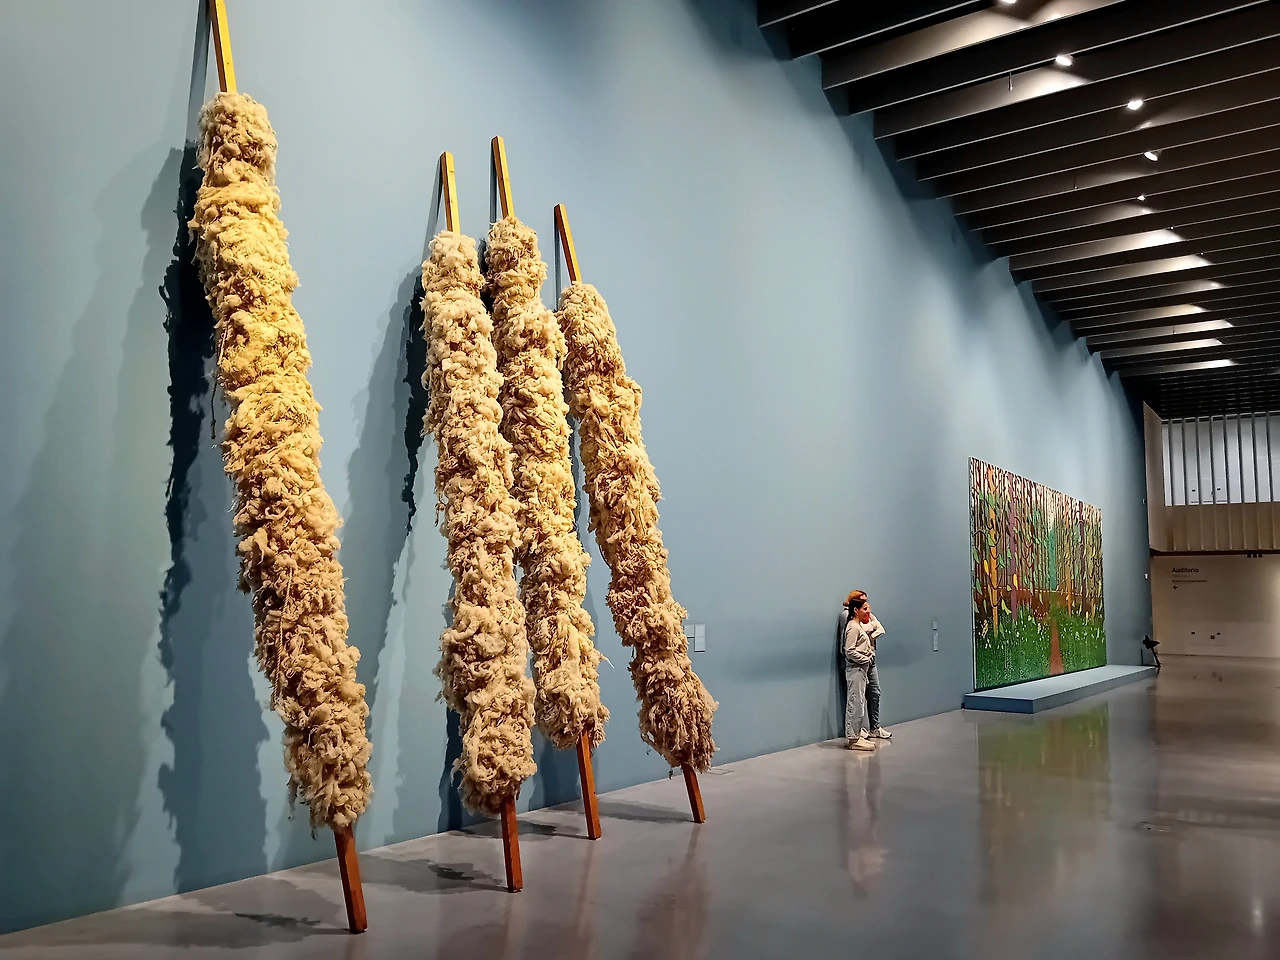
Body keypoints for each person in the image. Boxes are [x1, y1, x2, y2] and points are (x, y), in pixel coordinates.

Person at [843, 593, 877, 751]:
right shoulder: (853, 627)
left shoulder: (858, 626)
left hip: (861, 670)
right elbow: (849, 650)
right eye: (864, 609)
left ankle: (856, 735)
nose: (867, 611)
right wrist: (865, 659)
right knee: (855, 703)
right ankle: (853, 738)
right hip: (855, 670)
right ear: (856, 610)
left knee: (859, 703)